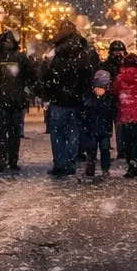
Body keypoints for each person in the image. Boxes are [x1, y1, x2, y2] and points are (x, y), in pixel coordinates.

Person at [0, 30, 38, 172]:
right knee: (13, 131)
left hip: (2, 100)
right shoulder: (19, 57)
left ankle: (4, 158)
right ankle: (12, 159)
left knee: (2, 130)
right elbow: (31, 76)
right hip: (14, 100)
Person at [43, 25, 93, 176]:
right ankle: (70, 163)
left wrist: (51, 93)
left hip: (58, 102)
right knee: (73, 133)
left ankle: (59, 163)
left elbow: (47, 78)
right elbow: (87, 76)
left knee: (57, 134)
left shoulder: (56, 58)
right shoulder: (81, 56)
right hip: (75, 102)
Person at [81, 69, 118, 177]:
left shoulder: (89, 96)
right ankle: (105, 168)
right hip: (104, 127)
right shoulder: (109, 97)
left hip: (91, 127)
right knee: (104, 149)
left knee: (92, 149)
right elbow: (113, 111)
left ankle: (91, 167)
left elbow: (85, 111)